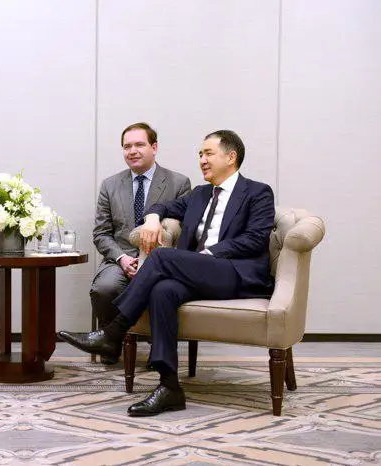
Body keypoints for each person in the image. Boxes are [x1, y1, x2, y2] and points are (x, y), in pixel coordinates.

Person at [59, 130, 275, 416]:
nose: (202, 160)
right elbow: (160, 206)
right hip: (199, 274)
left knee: (161, 257)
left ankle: (113, 331)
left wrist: (205, 257)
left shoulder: (257, 192)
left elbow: (255, 239)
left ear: (231, 157)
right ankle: (169, 386)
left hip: (236, 274)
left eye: (208, 153)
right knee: (164, 291)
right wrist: (152, 219)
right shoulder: (199, 194)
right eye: (200, 154)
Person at [91, 122, 190, 364]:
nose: (132, 151)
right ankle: (111, 344)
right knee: (104, 288)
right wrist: (122, 258)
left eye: (139, 145)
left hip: (161, 260)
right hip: (121, 258)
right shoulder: (110, 185)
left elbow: (183, 232)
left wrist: (152, 257)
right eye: (127, 146)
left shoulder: (179, 183)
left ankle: (158, 345)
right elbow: (101, 233)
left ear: (154, 147)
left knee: (161, 291)